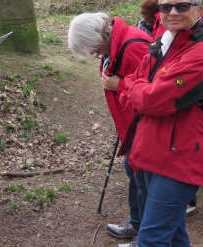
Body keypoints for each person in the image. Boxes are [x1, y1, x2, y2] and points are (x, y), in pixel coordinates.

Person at [118, 0, 203, 247]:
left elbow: (153, 99)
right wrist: (139, 90)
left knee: (152, 239)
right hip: (153, 148)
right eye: (166, 6)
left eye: (182, 6)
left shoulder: (202, 54)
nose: (173, 12)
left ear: (198, 10)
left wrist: (139, 90)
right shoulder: (164, 44)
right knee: (174, 234)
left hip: (180, 156)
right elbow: (132, 86)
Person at [68, 13, 151, 247]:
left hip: (142, 124)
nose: (94, 55)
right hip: (129, 122)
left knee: (143, 179)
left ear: (99, 36)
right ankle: (137, 223)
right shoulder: (112, 44)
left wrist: (120, 84)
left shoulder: (133, 46)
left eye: (92, 50)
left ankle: (145, 235)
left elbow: (152, 88)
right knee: (132, 170)